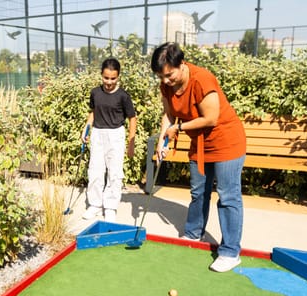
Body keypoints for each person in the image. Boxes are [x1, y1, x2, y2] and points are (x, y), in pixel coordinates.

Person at [150, 42, 246, 273]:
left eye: (169, 75)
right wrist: (163, 139)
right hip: (200, 144)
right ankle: (193, 234)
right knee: (198, 191)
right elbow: (169, 114)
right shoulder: (167, 87)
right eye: (161, 77)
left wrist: (179, 129)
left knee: (228, 196)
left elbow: (211, 118)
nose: (165, 81)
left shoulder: (202, 79)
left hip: (226, 142)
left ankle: (230, 252)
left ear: (181, 64)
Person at [81, 58, 137, 222]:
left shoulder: (123, 96)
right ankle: (95, 205)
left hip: (115, 135)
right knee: (95, 171)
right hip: (98, 133)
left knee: (114, 172)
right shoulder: (95, 93)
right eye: (106, 78)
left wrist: (131, 143)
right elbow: (93, 112)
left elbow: (132, 118)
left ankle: (111, 207)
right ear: (101, 75)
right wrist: (86, 129)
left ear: (118, 77)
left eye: (113, 78)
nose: (109, 82)